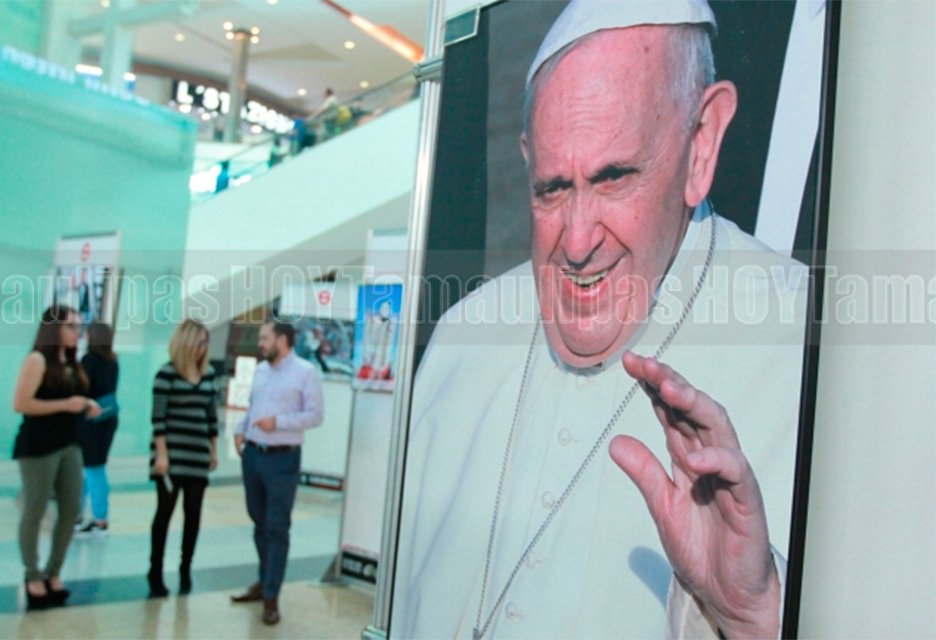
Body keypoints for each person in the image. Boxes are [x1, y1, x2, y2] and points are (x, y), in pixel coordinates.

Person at [394, 1, 809, 638]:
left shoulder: (814, 349)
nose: (578, 240)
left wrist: (755, 614)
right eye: (552, 188)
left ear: (700, 144)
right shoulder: (462, 335)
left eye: (614, 178)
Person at [230, 320, 324, 625]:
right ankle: (264, 580)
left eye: (265, 338)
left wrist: (279, 423)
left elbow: (315, 415)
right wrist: (241, 429)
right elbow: (253, 407)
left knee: (277, 527)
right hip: (253, 455)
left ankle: (271, 595)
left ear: (282, 340)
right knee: (259, 522)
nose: (260, 343)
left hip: (283, 459)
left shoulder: (305, 372)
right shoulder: (261, 370)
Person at [12, 305, 100, 609]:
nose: (77, 333)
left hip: (70, 444)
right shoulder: (37, 360)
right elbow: (21, 403)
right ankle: (32, 573)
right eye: (71, 326)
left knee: (71, 509)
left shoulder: (72, 362)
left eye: (79, 327)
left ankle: (54, 570)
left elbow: (69, 398)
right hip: (39, 446)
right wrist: (66, 405)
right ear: (54, 329)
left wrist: (85, 404)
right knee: (35, 510)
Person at [148, 320, 219, 597]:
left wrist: (213, 450)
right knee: (164, 513)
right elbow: (158, 419)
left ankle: (185, 567)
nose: (203, 348)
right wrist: (161, 455)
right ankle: (155, 569)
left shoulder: (209, 375)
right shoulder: (166, 374)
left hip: (197, 454)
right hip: (171, 455)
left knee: (194, 514)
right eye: (199, 343)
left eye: (205, 343)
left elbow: (211, 417)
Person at [77, 321, 120, 536]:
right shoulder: (112, 361)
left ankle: (99, 519)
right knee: (91, 467)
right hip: (108, 417)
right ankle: (83, 514)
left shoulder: (88, 360)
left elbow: (83, 390)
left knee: (92, 468)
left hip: (91, 419)